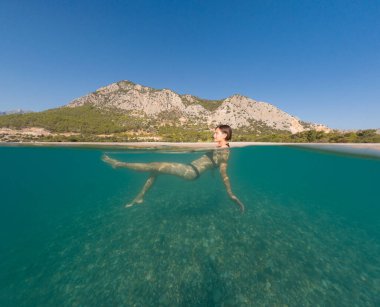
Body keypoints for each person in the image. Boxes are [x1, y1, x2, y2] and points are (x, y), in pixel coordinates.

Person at [101, 124, 245, 212]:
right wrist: (212, 169)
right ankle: (140, 197)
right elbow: (214, 163)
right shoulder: (219, 148)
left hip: (190, 172)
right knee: (154, 170)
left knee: (154, 165)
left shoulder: (225, 151)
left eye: (217, 132)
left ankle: (119, 164)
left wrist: (230, 193)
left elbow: (224, 173)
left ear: (225, 135)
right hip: (189, 169)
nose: (214, 134)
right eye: (214, 132)